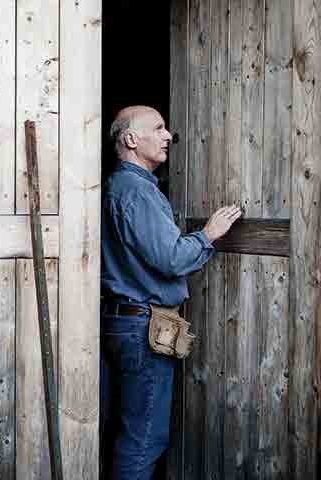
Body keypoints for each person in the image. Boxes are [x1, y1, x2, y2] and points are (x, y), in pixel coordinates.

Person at [100, 106, 241, 479]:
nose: (168, 135)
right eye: (158, 128)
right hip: (142, 329)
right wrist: (208, 234)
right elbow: (172, 259)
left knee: (126, 431)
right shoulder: (136, 191)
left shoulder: (118, 185)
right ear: (131, 139)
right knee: (143, 438)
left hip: (123, 320)